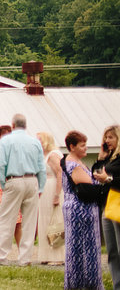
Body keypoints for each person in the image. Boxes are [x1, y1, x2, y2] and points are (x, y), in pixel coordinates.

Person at [0, 113, 45, 266]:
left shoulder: (6, 141)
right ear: (25, 125)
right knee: (29, 220)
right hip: (32, 179)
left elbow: (0, 165)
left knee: (6, 218)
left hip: (13, 179)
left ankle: (1, 255)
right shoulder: (35, 142)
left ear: (12, 125)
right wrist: (40, 186)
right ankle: (25, 258)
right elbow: (41, 166)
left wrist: (2, 183)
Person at [62, 131, 103, 289]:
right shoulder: (74, 165)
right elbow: (90, 186)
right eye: (82, 145)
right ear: (72, 147)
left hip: (77, 208)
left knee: (78, 247)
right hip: (80, 210)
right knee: (83, 248)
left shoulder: (73, 161)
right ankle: (85, 283)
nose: (86, 148)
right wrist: (102, 182)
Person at [93, 124, 119, 288]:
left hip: (118, 204)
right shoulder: (110, 158)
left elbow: (108, 178)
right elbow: (95, 174)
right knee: (112, 251)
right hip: (107, 205)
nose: (107, 140)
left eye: (111, 137)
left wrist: (108, 179)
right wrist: (101, 159)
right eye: (106, 137)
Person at [37, 131, 64, 266]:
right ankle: (46, 254)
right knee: (44, 221)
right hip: (44, 189)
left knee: (54, 222)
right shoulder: (43, 155)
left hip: (53, 187)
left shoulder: (53, 155)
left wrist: (57, 195)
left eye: (40, 140)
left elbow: (60, 174)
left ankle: (57, 256)